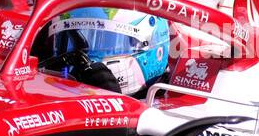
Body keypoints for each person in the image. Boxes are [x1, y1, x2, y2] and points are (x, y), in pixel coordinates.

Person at [40, 7, 170, 97]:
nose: (83, 58)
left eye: (106, 44)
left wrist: (114, 107)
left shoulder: (175, 109)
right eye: (68, 43)